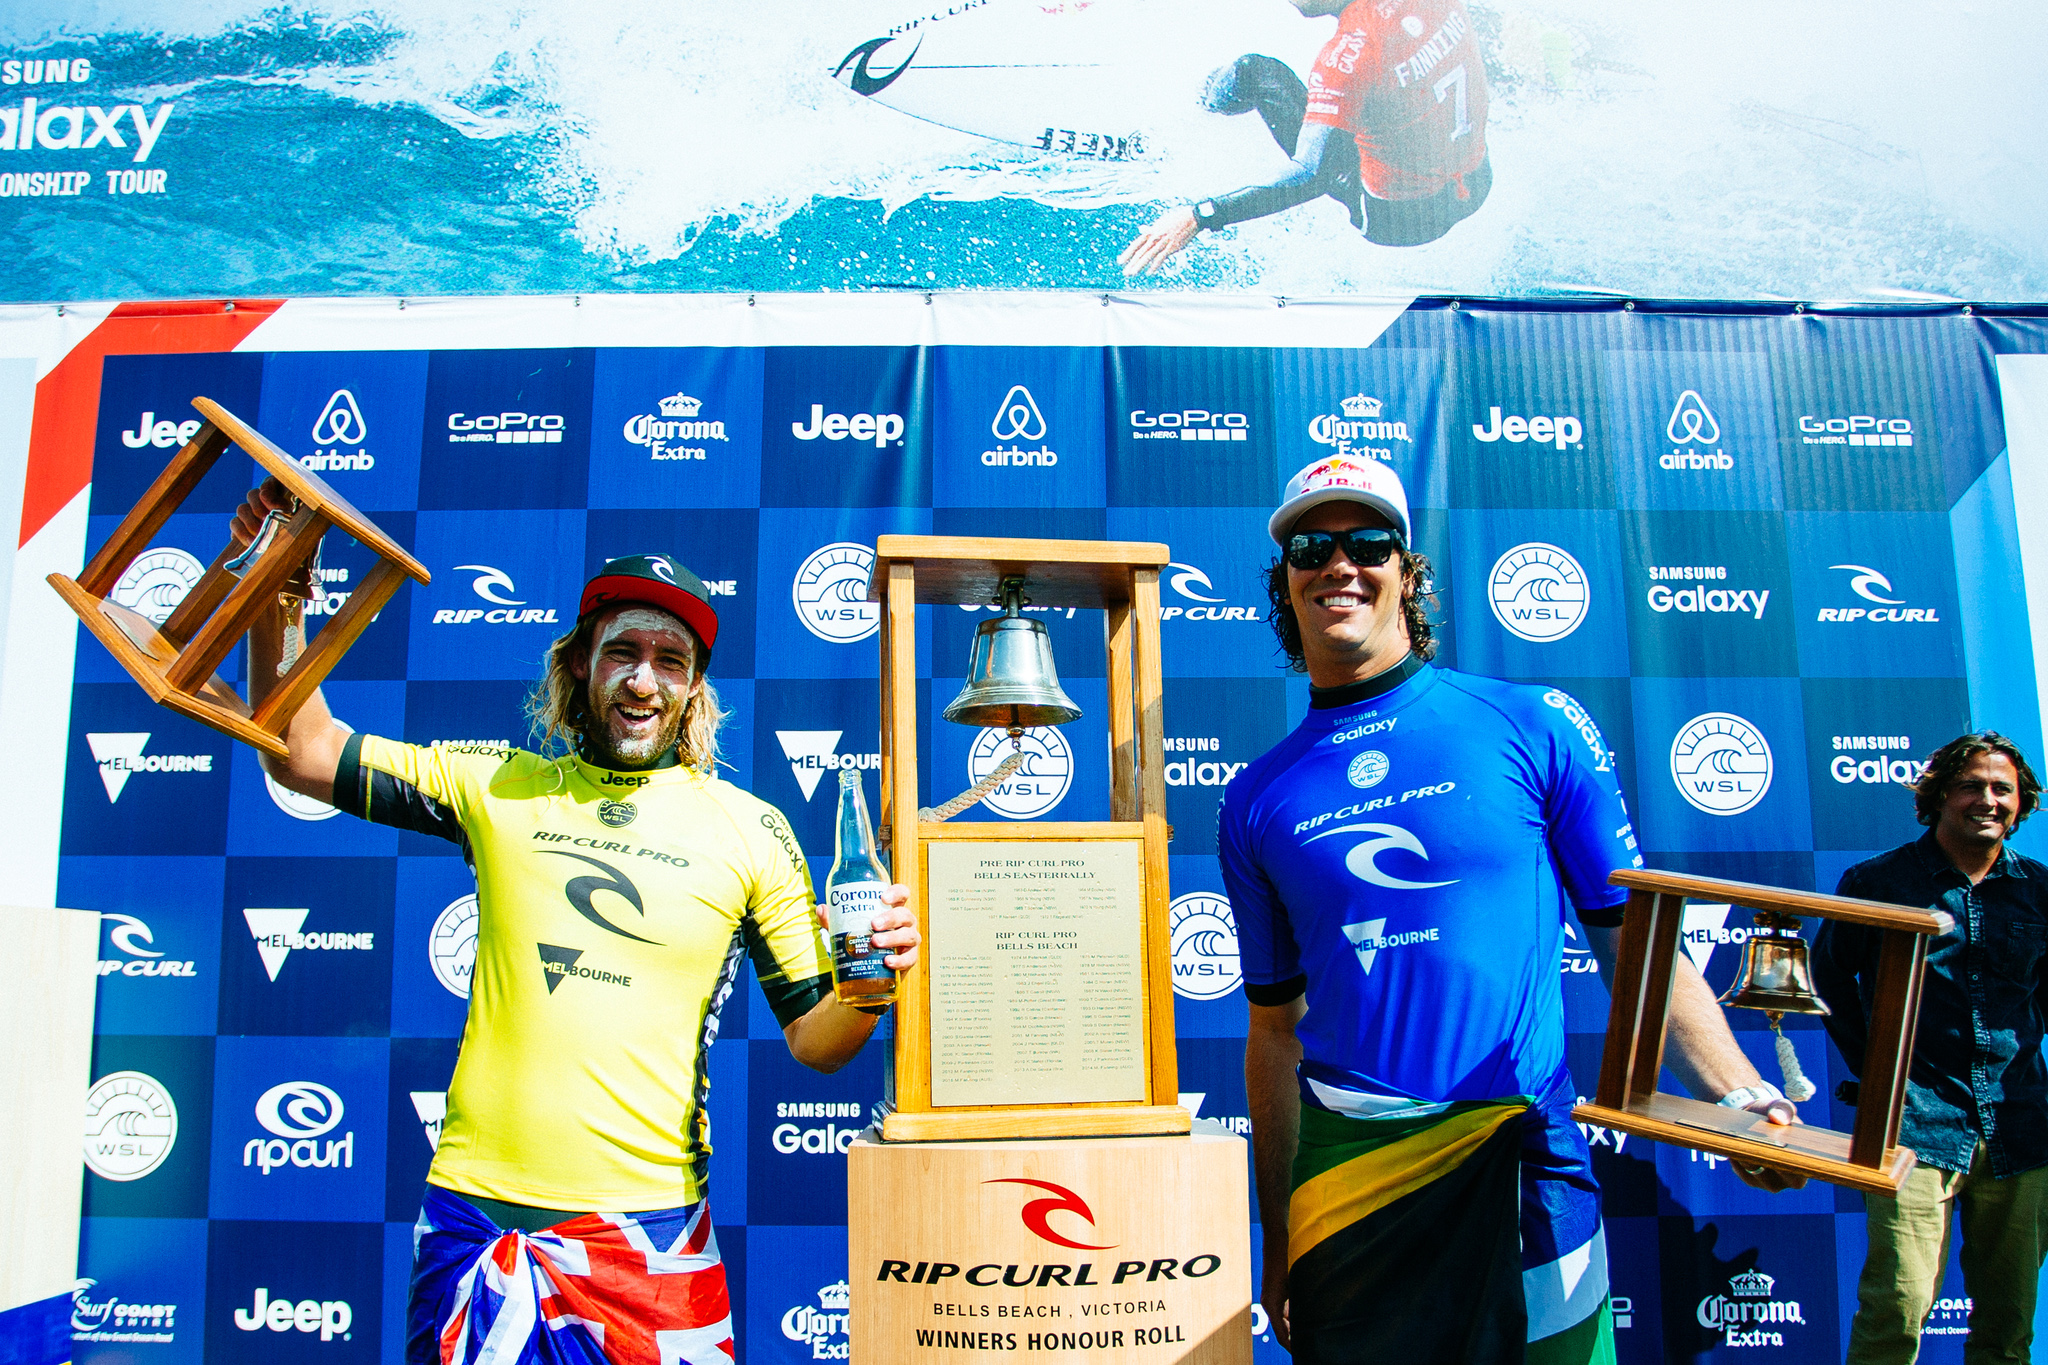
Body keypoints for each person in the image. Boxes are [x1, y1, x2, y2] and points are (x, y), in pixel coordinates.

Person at [229, 479, 919, 1364]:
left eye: (671, 660)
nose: (643, 678)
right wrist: (277, 580)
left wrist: (868, 986)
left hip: (651, 1243)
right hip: (474, 1226)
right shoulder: (499, 783)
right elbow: (302, 750)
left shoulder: (749, 827)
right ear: (578, 668)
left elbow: (817, 1043)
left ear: (695, 688)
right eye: (620, 650)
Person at [1220, 455, 1803, 1365]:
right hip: (1354, 1181)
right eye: (1311, 546)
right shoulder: (1256, 796)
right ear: (1284, 581)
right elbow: (1273, 1034)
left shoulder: (1531, 723)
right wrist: (1279, 1230)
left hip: (1527, 1155)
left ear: (1407, 575)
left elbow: (1637, 949)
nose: (1340, 562)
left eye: (1369, 541)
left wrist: (1740, 1093)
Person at [1814, 733, 2048, 1365]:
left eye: (2003, 789)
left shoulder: (2040, 891)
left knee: (2008, 1331)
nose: (1988, 800)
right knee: (1896, 1309)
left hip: (2020, 1128)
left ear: (2021, 802)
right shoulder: (1877, 881)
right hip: (1912, 1127)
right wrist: (1879, 1069)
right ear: (1940, 794)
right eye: (1972, 785)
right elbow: (1827, 978)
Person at [1119, 0, 1491, 277]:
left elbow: (1312, 175)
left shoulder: (1347, 59)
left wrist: (1199, 215)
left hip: (1397, 221)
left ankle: (1186, 115)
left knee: (1254, 71)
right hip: (1477, 182)